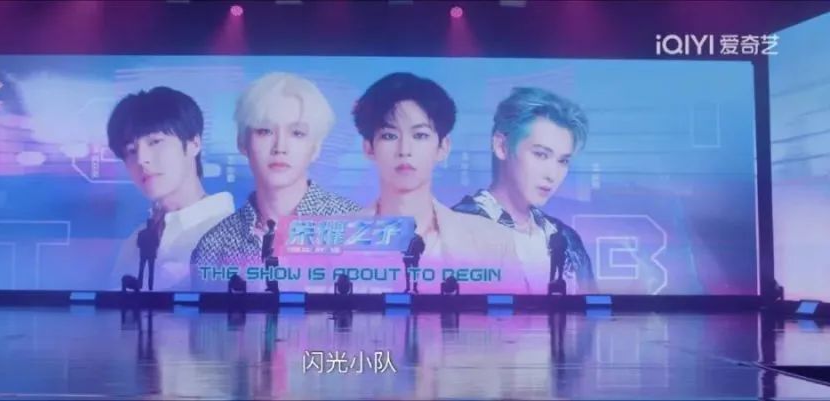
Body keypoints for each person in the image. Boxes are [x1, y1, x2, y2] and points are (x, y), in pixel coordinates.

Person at [353, 72, 527, 294]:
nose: (404, 150)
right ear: (369, 148)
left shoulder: (493, 241)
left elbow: (515, 313)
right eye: (389, 136)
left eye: (420, 135)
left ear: (443, 147)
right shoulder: (333, 239)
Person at [190, 73, 361, 291]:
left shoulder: (355, 226)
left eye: (297, 133)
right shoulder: (213, 246)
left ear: (316, 148)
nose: (280, 147)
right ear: (242, 142)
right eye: (265, 131)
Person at [452, 87, 596, 293]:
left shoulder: (567, 240)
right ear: (501, 146)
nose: (552, 174)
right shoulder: (454, 230)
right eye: (541, 154)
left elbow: (590, 309)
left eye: (563, 161)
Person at [107, 86, 235, 291]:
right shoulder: (133, 244)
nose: (141, 159)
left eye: (155, 142)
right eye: (131, 150)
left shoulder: (236, 236)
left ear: (194, 143)